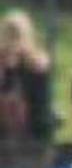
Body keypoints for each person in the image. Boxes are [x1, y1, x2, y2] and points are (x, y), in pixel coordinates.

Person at [0, 8, 51, 142]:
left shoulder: (36, 66)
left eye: (16, 36)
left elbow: (41, 108)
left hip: (30, 139)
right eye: (9, 35)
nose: (12, 42)